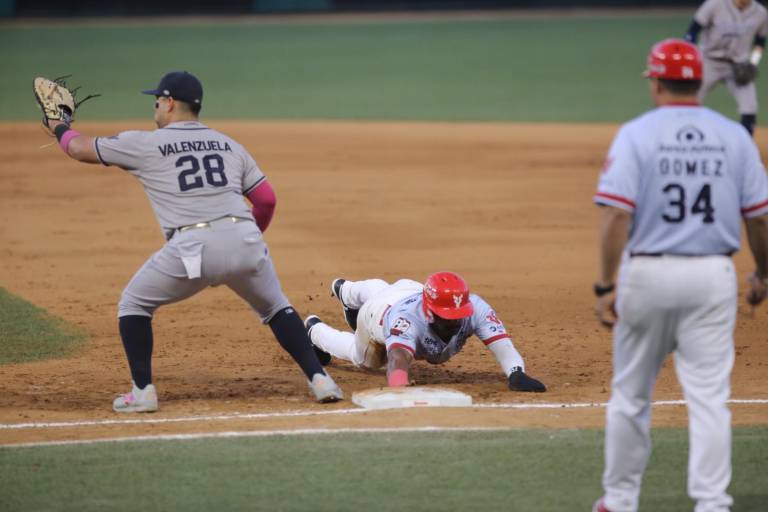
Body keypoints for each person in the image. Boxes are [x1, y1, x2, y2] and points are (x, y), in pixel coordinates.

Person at [40, 71, 343, 412]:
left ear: (170, 104)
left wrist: (58, 124)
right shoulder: (229, 144)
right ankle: (321, 381)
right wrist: (246, 239)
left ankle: (142, 393)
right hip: (244, 237)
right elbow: (267, 200)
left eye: (156, 101)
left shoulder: (144, 143)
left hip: (193, 247)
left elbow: (79, 149)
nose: (154, 107)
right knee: (277, 308)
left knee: (133, 305)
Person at [591, 39, 768, 512]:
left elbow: (614, 217)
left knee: (630, 395)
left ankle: (621, 500)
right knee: (710, 398)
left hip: (647, 275)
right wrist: (764, 274)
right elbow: (759, 217)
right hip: (714, 277)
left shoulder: (636, 134)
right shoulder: (735, 137)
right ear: (698, 83)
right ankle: (712, 503)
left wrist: (606, 285)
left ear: (656, 82)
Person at [303, 272, 546, 392]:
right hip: (376, 316)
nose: (454, 322)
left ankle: (346, 290)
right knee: (365, 360)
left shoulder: (474, 308)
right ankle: (314, 330)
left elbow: (503, 346)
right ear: (430, 311)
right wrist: (400, 383)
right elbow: (398, 359)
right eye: (447, 317)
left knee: (388, 291)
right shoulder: (406, 322)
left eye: (458, 315)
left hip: (408, 290)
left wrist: (516, 373)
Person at [684, 0, 768, 135]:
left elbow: (760, 43)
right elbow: (692, 33)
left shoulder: (761, 13)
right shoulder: (714, 5)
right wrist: (691, 57)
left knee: (750, 106)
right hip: (709, 62)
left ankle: (746, 144)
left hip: (739, 65)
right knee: (690, 99)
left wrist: (753, 62)